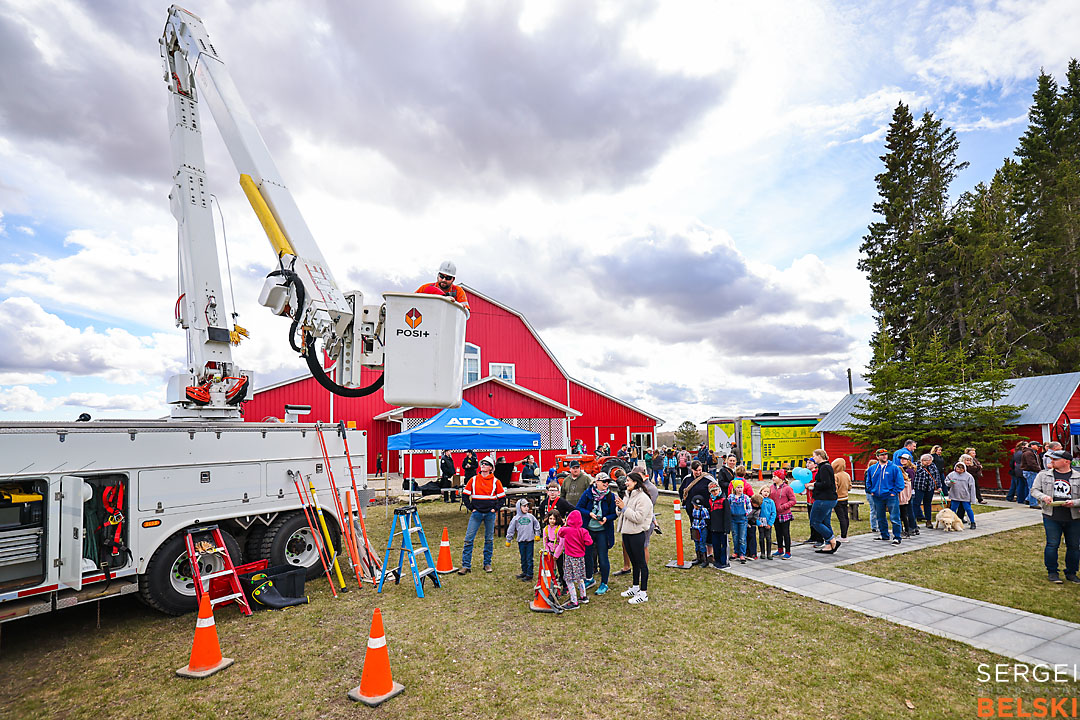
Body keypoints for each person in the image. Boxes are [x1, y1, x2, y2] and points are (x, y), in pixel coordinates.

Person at [1029, 449, 1080, 584]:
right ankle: (1052, 572)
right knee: (1052, 545)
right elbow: (1034, 490)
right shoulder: (1043, 475)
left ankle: (1071, 573)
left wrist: (1074, 503)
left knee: (1074, 546)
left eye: (1055, 459)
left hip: (1073, 517)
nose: (1052, 461)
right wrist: (1044, 497)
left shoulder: (1078, 476)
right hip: (1051, 516)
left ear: (1066, 462)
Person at [458, 457, 506, 574]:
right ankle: (466, 566)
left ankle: (487, 564)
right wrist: (471, 508)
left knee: (489, 540)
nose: (483, 465)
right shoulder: (473, 480)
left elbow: (502, 498)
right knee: (469, 539)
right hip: (476, 514)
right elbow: (465, 495)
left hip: (490, 514)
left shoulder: (496, 481)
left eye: (486, 464)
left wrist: (495, 509)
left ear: (491, 468)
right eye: (482, 463)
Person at [615, 472, 653, 604]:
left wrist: (624, 508)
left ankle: (643, 592)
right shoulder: (627, 495)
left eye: (628, 481)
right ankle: (635, 587)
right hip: (626, 533)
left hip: (636, 534)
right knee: (634, 562)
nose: (626, 483)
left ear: (635, 482)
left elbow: (638, 518)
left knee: (641, 563)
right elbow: (621, 512)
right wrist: (619, 507)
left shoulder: (643, 498)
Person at [576, 472, 617, 595]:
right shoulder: (588, 493)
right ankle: (589, 578)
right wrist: (589, 514)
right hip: (588, 530)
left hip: (602, 532)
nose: (606, 484)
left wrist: (606, 519)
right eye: (603, 481)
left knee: (603, 557)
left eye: (607, 482)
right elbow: (578, 507)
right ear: (596, 482)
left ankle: (604, 583)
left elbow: (614, 514)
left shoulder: (611, 496)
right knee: (587, 555)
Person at [866, 448, 905, 545]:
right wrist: (871, 491)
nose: (884, 456)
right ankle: (884, 534)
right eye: (882, 455)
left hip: (890, 496)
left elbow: (900, 482)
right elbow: (868, 481)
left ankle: (897, 537)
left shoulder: (894, 468)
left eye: (886, 454)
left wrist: (894, 492)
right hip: (877, 496)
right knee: (880, 516)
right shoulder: (872, 469)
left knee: (894, 517)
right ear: (877, 456)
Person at [679, 461, 715, 560]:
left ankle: (709, 554)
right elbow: (682, 491)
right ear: (692, 469)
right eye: (696, 470)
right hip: (693, 511)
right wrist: (687, 504)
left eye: (700, 470)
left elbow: (716, 490)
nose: (699, 472)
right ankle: (699, 554)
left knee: (708, 531)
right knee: (696, 532)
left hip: (706, 511)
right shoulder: (687, 479)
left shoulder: (708, 478)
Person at [557, 510, 592, 609]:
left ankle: (574, 601)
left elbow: (560, 533)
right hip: (580, 558)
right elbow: (589, 542)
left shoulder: (566, 530)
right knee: (580, 578)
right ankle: (583, 596)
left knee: (569, 579)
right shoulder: (583, 531)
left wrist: (565, 524)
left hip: (570, 558)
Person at [808, 449, 840, 553]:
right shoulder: (825, 467)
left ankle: (832, 540)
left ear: (820, 456)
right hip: (828, 498)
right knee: (826, 522)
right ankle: (828, 546)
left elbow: (826, 484)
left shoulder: (825, 468)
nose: (813, 458)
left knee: (815, 521)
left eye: (814, 456)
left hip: (824, 499)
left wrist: (813, 484)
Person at [505, 499, 541, 582]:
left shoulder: (531, 517)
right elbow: (511, 529)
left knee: (529, 558)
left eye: (527, 506)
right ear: (519, 507)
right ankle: (524, 572)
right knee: (523, 558)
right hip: (521, 541)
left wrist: (537, 535)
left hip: (530, 541)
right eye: (524, 506)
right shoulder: (516, 518)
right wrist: (508, 539)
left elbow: (537, 525)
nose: (526, 508)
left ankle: (529, 574)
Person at [945, 459, 977, 529]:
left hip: (965, 496)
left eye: (961, 468)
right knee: (953, 510)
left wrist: (973, 499)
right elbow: (946, 482)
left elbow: (972, 488)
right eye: (958, 468)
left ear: (964, 469)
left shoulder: (968, 476)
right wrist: (950, 482)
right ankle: (951, 522)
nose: (959, 470)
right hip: (955, 496)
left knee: (968, 509)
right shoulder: (952, 474)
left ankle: (972, 522)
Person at [770, 470, 796, 559]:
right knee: (778, 532)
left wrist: (784, 506)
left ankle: (788, 552)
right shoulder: (771, 488)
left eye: (775, 476)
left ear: (781, 478)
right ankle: (780, 549)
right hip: (775, 514)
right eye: (772, 476)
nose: (773, 478)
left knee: (786, 533)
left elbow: (793, 500)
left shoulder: (787, 488)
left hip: (785, 514)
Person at [913, 454, 941, 529]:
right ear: (923, 461)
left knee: (928, 504)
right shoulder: (916, 466)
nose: (929, 464)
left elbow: (937, 475)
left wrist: (939, 486)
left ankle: (928, 520)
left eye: (930, 462)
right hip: (919, 487)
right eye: (927, 462)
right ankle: (913, 522)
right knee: (916, 504)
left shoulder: (932, 466)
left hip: (930, 488)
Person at [707, 480, 730, 568]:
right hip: (713, 528)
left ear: (719, 489)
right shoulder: (710, 501)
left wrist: (727, 528)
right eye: (713, 491)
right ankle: (717, 561)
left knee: (724, 545)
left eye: (716, 490)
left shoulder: (724, 500)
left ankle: (724, 561)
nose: (715, 492)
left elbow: (727, 515)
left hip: (722, 527)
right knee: (715, 545)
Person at [541, 509, 565, 594]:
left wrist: (556, 554)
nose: (552, 521)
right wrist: (547, 551)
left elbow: (561, 543)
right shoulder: (546, 529)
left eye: (554, 519)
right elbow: (545, 540)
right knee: (552, 569)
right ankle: (553, 583)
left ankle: (565, 586)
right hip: (550, 552)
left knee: (561, 569)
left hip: (559, 553)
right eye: (550, 518)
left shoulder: (559, 529)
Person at [729, 480, 752, 563]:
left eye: (741, 487)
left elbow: (750, 508)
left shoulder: (745, 498)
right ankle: (736, 552)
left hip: (743, 519)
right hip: (733, 519)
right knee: (735, 536)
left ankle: (742, 554)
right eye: (738, 487)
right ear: (735, 488)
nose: (740, 489)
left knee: (742, 537)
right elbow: (728, 507)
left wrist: (745, 513)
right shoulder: (730, 497)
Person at [897, 455, 918, 537]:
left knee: (908, 511)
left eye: (904, 459)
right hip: (907, 492)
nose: (902, 460)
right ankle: (913, 527)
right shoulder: (904, 469)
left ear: (909, 460)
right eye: (901, 459)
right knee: (908, 511)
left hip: (908, 493)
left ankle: (912, 527)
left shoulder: (909, 470)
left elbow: (911, 482)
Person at [831, 457, 851, 540]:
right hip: (845, 498)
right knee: (846, 517)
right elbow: (850, 487)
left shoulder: (835, 476)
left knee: (841, 518)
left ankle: (843, 536)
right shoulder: (847, 475)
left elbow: (834, 488)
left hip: (838, 499)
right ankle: (845, 534)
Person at [1020, 442, 1043, 508]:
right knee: (1033, 487)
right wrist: (1039, 470)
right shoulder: (1029, 453)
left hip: (1031, 471)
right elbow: (1031, 463)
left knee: (1032, 486)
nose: (1039, 447)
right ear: (1032, 445)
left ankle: (1028, 499)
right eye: (1037, 446)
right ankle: (1033, 503)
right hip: (1031, 472)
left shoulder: (1031, 452)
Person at [757, 485, 777, 559]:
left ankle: (769, 553)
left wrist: (770, 523)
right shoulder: (759, 501)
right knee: (761, 537)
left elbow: (773, 513)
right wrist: (758, 522)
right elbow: (755, 512)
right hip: (760, 523)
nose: (766, 493)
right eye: (764, 491)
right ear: (761, 491)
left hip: (768, 522)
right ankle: (762, 553)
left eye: (768, 492)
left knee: (768, 538)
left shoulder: (771, 502)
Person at [690, 497, 710, 566]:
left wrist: (703, 526)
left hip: (701, 529)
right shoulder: (694, 510)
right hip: (695, 528)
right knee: (696, 544)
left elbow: (707, 519)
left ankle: (705, 560)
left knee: (702, 544)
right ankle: (698, 558)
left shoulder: (703, 510)